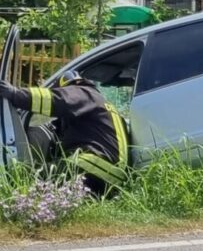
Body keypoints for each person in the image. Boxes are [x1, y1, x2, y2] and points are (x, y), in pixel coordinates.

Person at [0, 72, 130, 195]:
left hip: (92, 165)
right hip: (113, 178)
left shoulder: (83, 92)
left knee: (33, 180)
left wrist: (16, 94)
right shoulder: (103, 104)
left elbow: (54, 100)